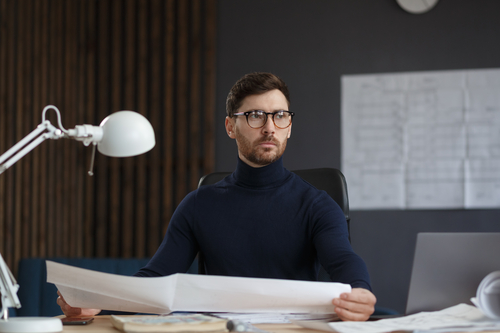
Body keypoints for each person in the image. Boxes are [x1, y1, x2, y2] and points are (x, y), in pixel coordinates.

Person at [57, 72, 377, 321]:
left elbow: (343, 260)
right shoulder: (199, 204)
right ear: (230, 126)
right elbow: (155, 277)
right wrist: (96, 301)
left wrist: (361, 293)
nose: (269, 127)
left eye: (280, 116)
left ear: (289, 126)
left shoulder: (317, 204)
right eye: (255, 116)